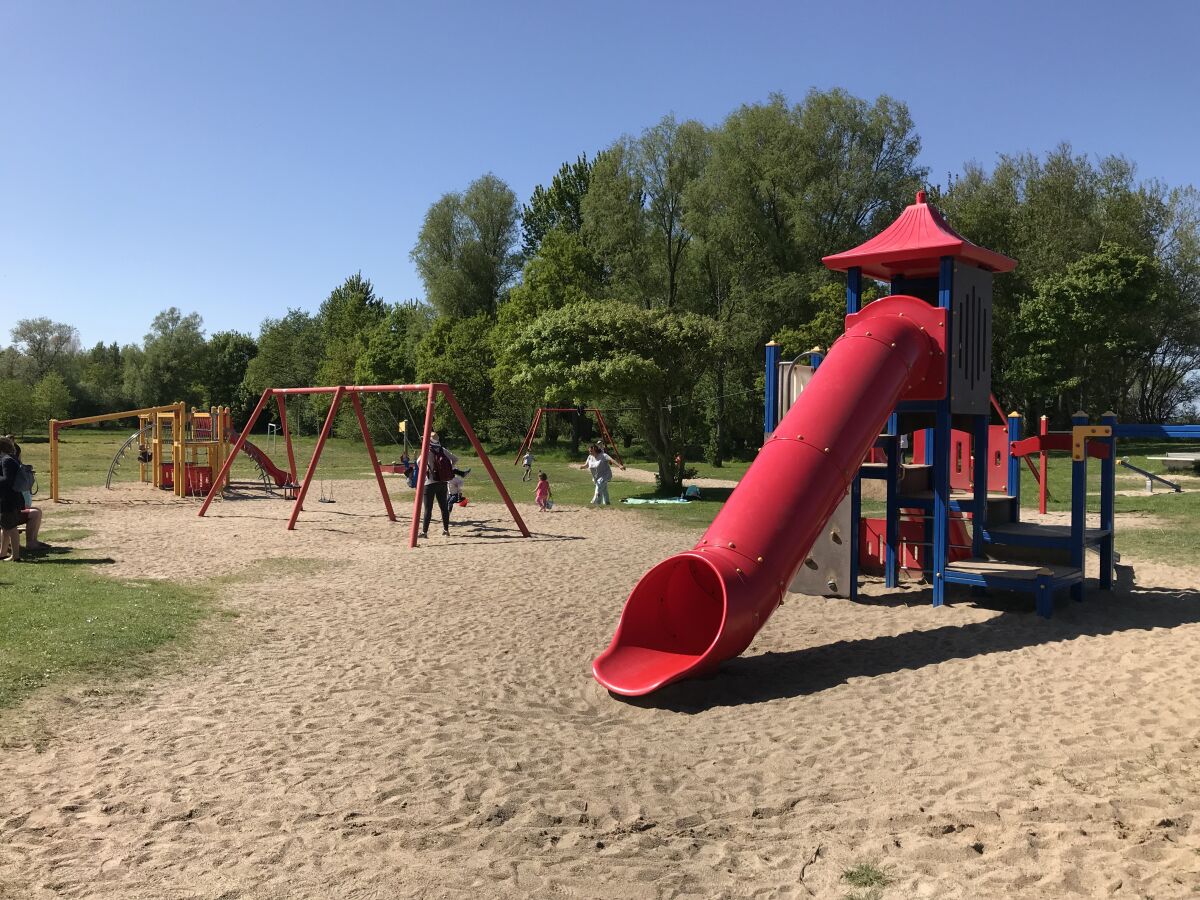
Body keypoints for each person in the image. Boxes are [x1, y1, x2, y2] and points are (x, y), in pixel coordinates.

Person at [7, 438, 48, 553]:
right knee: (34, 513)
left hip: (12, 509)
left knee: (36, 511)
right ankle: (28, 544)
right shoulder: (9, 469)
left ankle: (32, 542)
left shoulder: (11, 469)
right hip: (8, 511)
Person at [420, 432, 457, 537]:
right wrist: (448, 469)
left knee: (428, 508)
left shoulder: (427, 451)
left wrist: (427, 469)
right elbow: (455, 459)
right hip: (442, 482)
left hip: (430, 483)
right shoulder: (442, 450)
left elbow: (418, 462)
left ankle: (424, 532)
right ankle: (446, 530)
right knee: (444, 508)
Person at [0, 436, 23, 562]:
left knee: (11, 527)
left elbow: (7, 480)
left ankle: (16, 555)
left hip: (8, 500)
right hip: (11, 499)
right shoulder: (10, 458)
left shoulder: (6, 460)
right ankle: (2, 553)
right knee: (5, 526)